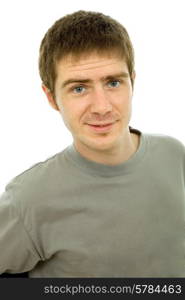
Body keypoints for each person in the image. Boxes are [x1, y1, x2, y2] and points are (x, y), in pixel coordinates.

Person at [0, 10, 184, 278]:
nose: (102, 107)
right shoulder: (27, 200)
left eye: (113, 82)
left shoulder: (174, 155)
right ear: (51, 98)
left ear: (132, 83)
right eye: (79, 88)